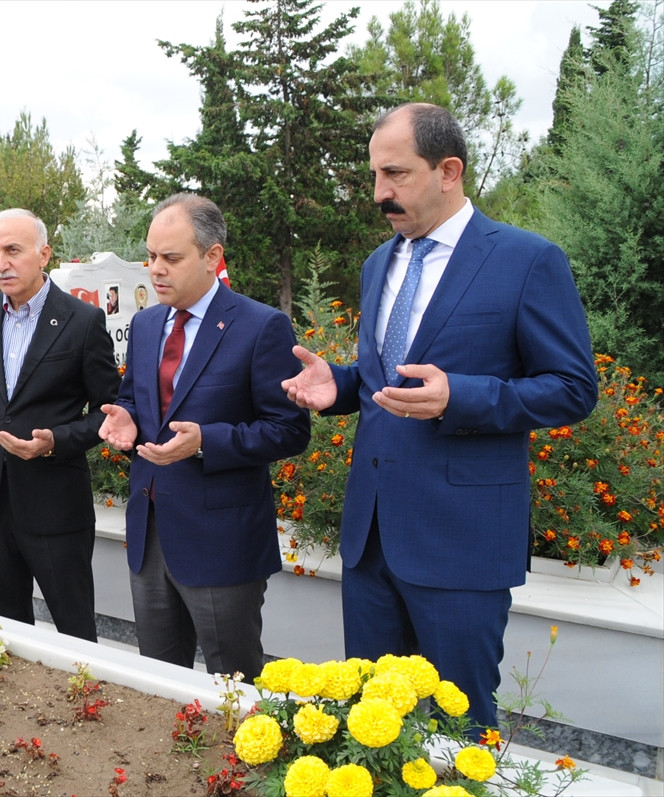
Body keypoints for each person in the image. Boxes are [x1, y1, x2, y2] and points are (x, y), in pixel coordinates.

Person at [281, 103, 598, 729]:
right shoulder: (380, 263)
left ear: (448, 171)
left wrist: (462, 397)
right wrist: (340, 385)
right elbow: (389, 379)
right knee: (372, 727)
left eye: (395, 174)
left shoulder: (527, 260)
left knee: (463, 731)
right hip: (372, 541)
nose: (379, 193)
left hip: (462, 545)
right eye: (375, 175)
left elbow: (573, 388)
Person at [98, 194, 311, 677]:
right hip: (150, 534)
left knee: (234, 687)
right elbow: (134, 399)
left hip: (222, 544)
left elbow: (290, 429)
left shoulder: (261, 327)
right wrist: (126, 418)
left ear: (213, 256)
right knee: (158, 684)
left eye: (171, 258)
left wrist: (206, 442)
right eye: (151, 255)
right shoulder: (146, 323)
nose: (156, 269)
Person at [0, 208, 120, 641]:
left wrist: (55, 441)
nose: (1, 263)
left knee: (76, 635)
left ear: (43, 255)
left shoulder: (82, 321)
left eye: (12, 250)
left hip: (55, 506)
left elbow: (110, 410)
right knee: (3, 636)